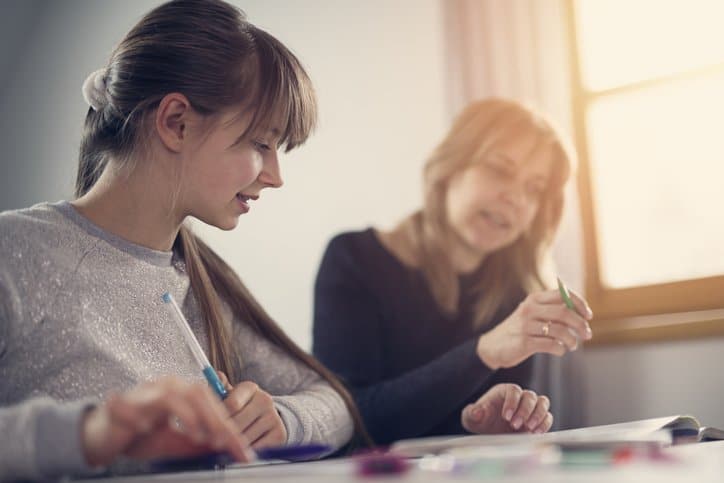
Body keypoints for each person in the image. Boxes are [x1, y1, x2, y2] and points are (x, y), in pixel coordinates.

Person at [0, 0, 368, 480]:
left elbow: (332, 401)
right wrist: (91, 433)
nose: (275, 177)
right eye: (261, 143)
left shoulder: (201, 281)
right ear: (176, 122)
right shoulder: (16, 254)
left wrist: (282, 420)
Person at [313, 98, 593, 445]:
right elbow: (346, 421)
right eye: (499, 170)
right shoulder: (353, 257)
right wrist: (484, 352)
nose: (516, 198)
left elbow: (470, 438)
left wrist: (496, 427)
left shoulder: (516, 290)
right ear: (449, 169)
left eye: (533, 189)